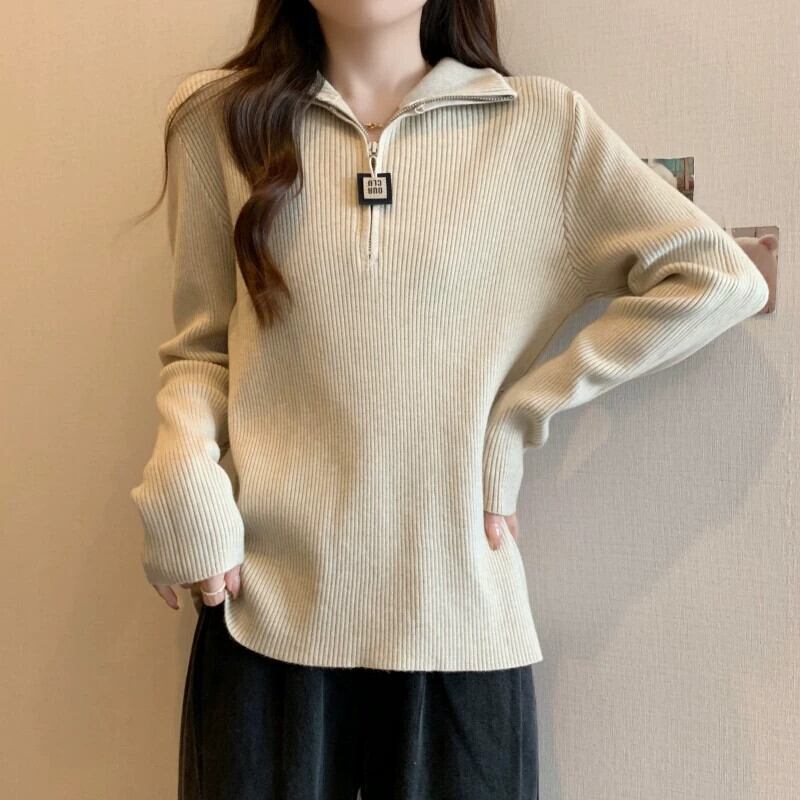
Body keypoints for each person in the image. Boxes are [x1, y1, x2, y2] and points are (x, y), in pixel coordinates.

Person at [129, 1, 769, 798]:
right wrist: (181, 466)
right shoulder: (217, 120)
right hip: (261, 616)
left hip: (458, 617)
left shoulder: (541, 127)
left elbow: (717, 277)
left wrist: (521, 416)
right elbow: (202, 347)